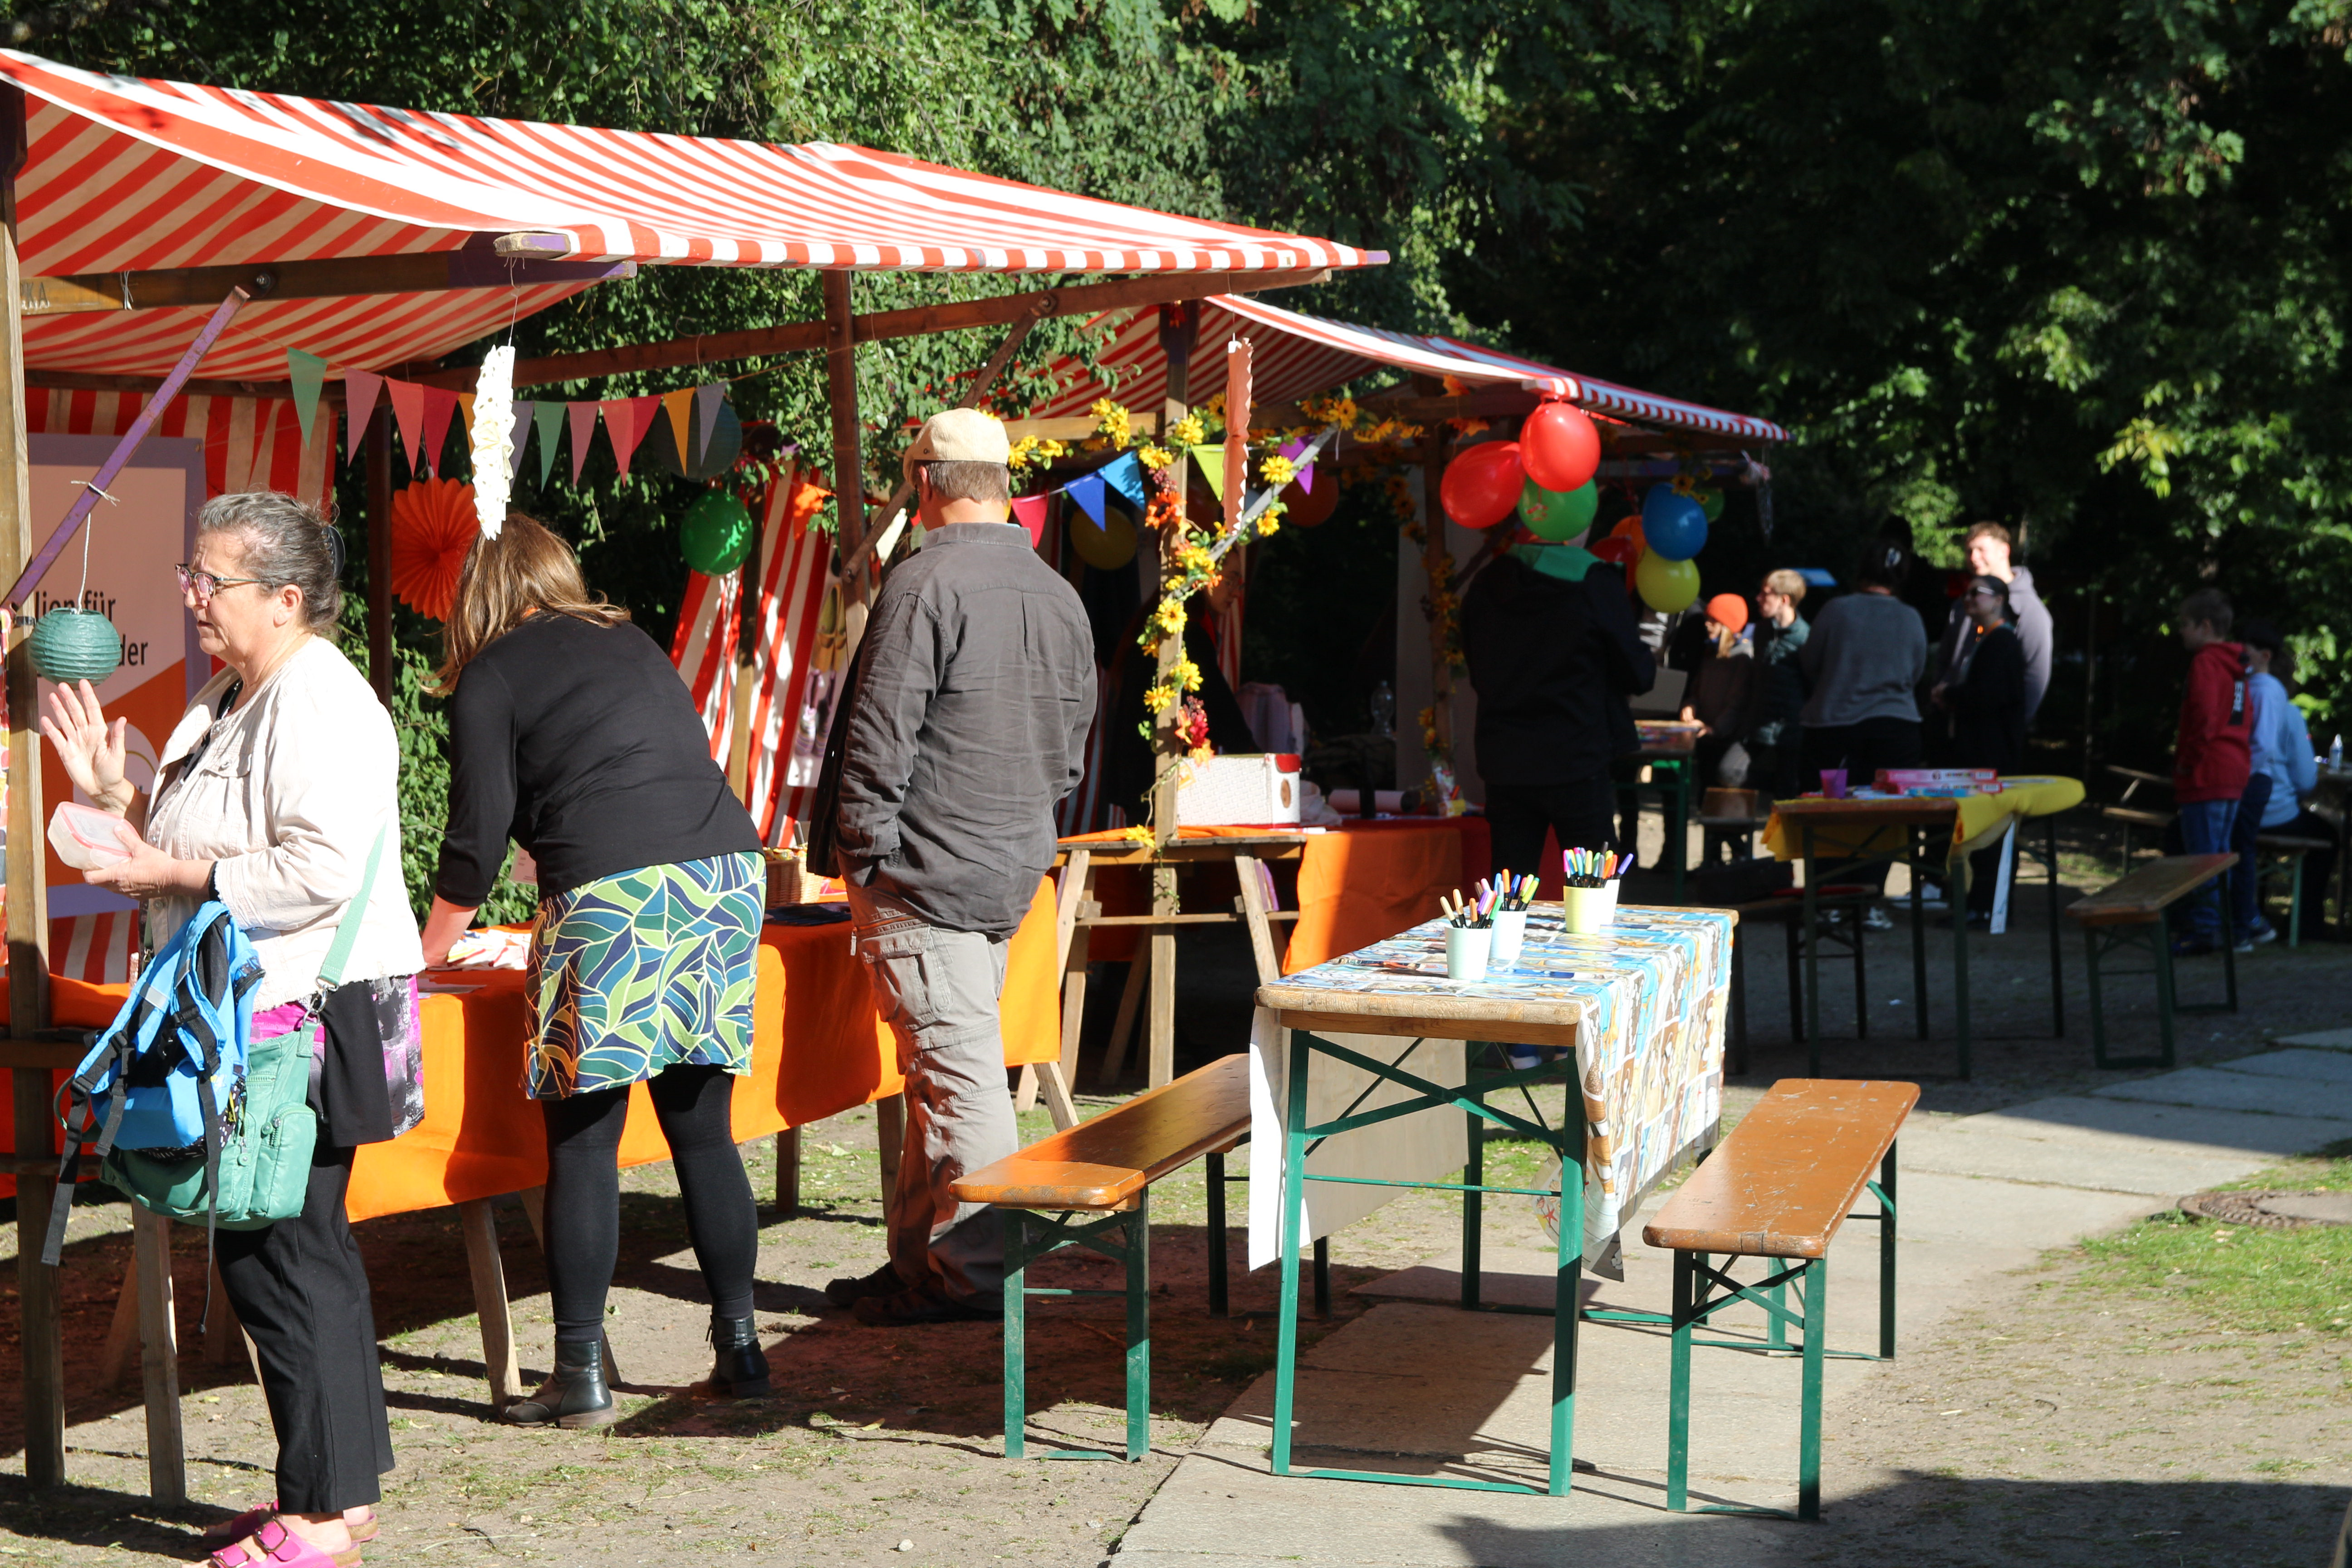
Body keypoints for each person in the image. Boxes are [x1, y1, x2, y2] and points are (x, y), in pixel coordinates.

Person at [43, 494, 423, 1567]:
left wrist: (161, 868)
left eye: (210, 581)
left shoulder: (321, 701)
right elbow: (203, 826)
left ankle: (313, 1518)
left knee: (277, 1254)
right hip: (258, 1009)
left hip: (301, 1012)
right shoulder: (235, 690)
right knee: (302, 1253)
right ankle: (336, 1497)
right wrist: (114, 790)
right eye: (190, 575)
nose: (191, 597)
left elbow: (317, 869)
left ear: (287, 598)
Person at [420, 513, 768, 1428]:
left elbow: (475, 839)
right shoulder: (632, 639)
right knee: (703, 1128)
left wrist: (423, 950)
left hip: (613, 893)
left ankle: (579, 1376)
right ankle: (742, 1349)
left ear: (481, 592)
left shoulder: (491, 675)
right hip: (723, 873)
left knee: (582, 1141)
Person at [811, 409, 1095, 1326]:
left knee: (961, 1081)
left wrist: (861, 857)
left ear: (928, 483)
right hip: (1007, 866)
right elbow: (1071, 754)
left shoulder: (923, 578)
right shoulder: (1058, 592)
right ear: (1003, 485)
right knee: (946, 1068)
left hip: (923, 875)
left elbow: (876, 739)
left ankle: (975, 1278)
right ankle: (919, 1269)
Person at [1460, 528, 1654, 883]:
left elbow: (1477, 672)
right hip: (1575, 756)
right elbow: (1639, 674)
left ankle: (1503, 940)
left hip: (1505, 758)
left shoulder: (1486, 581)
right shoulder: (1593, 580)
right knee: (1593, 891)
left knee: (1508, 890)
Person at [1799, 541, 1929, 907]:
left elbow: (1810, 662)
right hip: (1896, 728)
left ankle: (1828, 900)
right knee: (1883, 819)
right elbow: (1917, 671)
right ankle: (1870, 899)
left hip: (1834, 727)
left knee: (1830, 815)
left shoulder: (1835, 611)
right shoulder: (1911, 617)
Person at [1931, 574, 2028, 921]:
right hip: (1979, 753)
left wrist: (1950, 695)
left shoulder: (2002, 642)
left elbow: (1990, 697)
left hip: (1993, 756)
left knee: (1991, 833)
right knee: (1974, 832)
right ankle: (1975, 904)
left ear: (1999, 599)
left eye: (1977, 593)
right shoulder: (1984, 640)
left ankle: (1988, 907)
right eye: (1964, 593)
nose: (1968, 600)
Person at [2236, 619, 2332, 944]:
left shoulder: (2239, 695)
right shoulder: (2288, 711)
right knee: (2329, 837)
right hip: (2272, 811)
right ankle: (2307, 924)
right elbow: (2305, 780)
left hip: (2236, 805)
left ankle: (2259, 909)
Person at [2168, 587, 2253, 955]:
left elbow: (2204, 717)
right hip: (2233, 769)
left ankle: (2205, 929)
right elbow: (2240, 716)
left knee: (2203, 857)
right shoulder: (2237, 667)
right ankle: (2222, 924)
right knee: (2220, 854)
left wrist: (2188, 760)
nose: (2181, 632)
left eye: (2185, 625)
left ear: (2205, 626)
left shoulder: (2206, 663)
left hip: (2207, 771)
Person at [1936, 522, 2054, 724]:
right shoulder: (1963, 604)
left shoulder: (2029, 610)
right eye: (1969, 551)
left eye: (1981, 550)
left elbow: (2035, 676)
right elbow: (1946, 658)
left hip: (1995, 732)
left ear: (2004, 551)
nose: (1973, 558)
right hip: (1954, 725)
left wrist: (2014, 728)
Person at [1678, 593, 1757, 788]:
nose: (1707, 624)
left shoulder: (1743, 658)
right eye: (1707, 618)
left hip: (1724, 739)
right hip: (1704, 736)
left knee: (1719, 794)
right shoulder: (1709, 653)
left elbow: (1737, 702)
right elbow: (1697, 689)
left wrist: (1716, 729)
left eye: (1714, 620)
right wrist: (1690, 705)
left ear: (1728, 625)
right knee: (1704, 793)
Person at [1748, 569, 1811, 800]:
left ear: (1784, 600)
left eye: (1766, 594)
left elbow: (1811, 684)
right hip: (1756, 727)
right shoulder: (1762, 630)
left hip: (1790, 733)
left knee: (1786, 794)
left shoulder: (1805, 638)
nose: (1758, 598)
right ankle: (1732, 836)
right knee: (1730, 773)